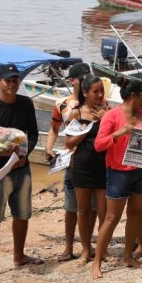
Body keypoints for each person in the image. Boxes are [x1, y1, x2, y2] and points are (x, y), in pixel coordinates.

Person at [0, 63, 41, 283]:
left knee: (22, 214)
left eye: (16, 80)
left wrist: (23, 155)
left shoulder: (25, 104)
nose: (13, 84)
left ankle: (19, 256)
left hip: (22, 168)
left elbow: (33, 133)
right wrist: (1, 153)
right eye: (8, 80)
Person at [91, 79, 142, 279]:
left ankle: (128, 256)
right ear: (133, 96)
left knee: (137, 214)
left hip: (141, 170)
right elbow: (98, 145)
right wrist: (118, 134)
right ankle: (97, 262)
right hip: (119, 172)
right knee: (111, 218)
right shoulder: (112, 116)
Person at [43, 61, 92, 262]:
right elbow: (54, 128)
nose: (86, 82)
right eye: (82, 79)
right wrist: (48, 148)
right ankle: (68, 247)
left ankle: (88, 247)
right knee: (71, 208)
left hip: (92, 162)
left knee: (93, 208)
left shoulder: (98, 100)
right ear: (73, 81)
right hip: (71, 162)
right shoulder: (62, 104)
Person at [64, 75, 109, 267]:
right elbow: (68, 143)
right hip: (82, 166)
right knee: (82, 211)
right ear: (85, 93)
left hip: (104, 166)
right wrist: (84, 131)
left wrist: (105, 120)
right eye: (95, 92)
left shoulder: (108, 112)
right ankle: (85, 249)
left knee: (103, 211)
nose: (99, 95)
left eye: (102, 91)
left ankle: (102, 249)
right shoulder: (76, 114)